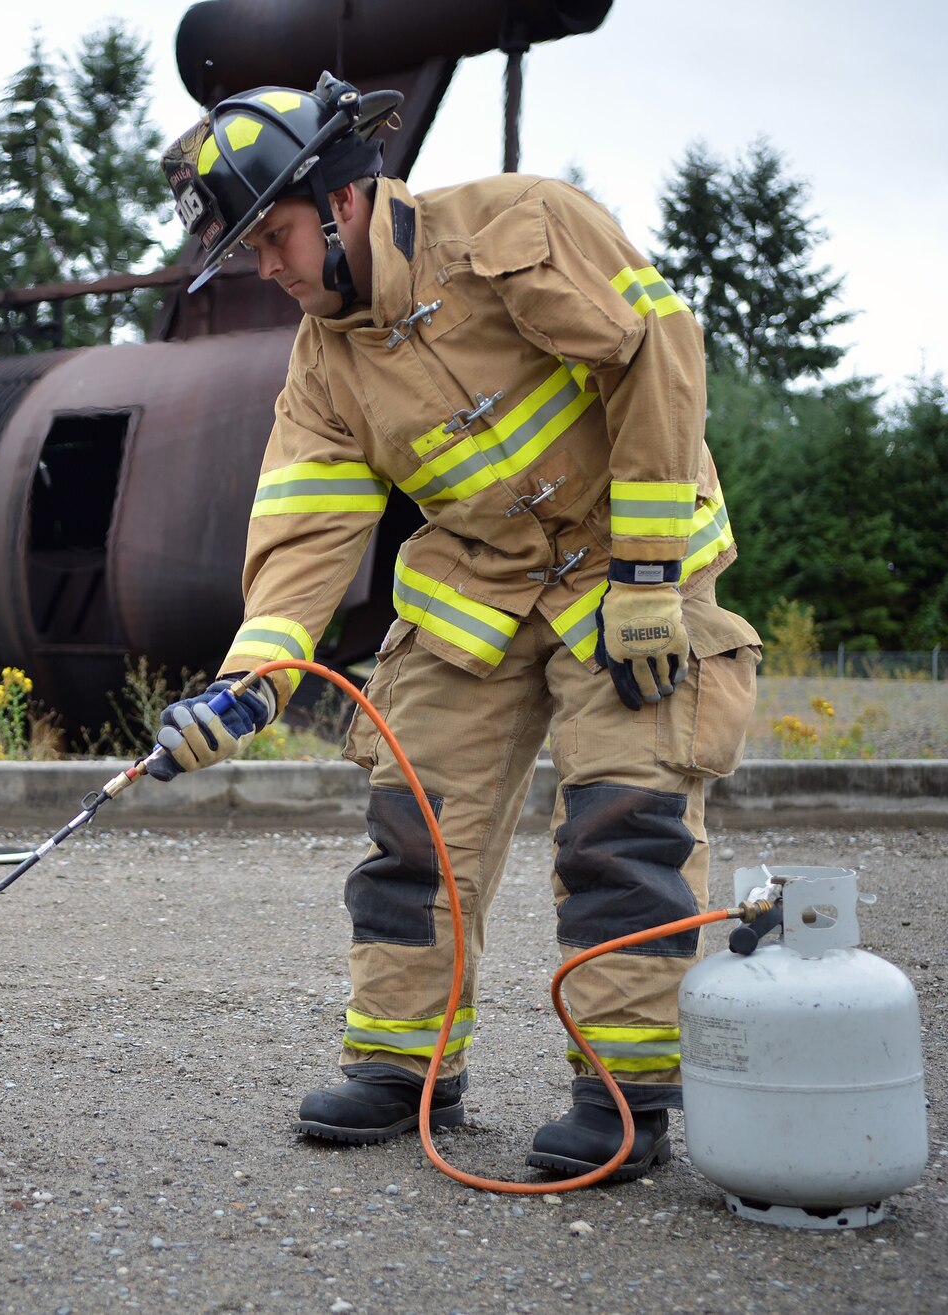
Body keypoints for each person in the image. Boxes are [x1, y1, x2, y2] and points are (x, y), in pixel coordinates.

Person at [147, 73, 761, 1181]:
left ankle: (624, 1094)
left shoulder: (514, 231)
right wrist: (249, 682)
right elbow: (302, 536)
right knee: (410, 826)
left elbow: (658, 355)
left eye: (273, 237)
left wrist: (648, 577)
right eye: (246, 249)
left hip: (625, 573)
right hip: (475, 589)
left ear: (337, 201)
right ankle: (399, 1065)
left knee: (623, 829)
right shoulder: (321, 365)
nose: (267, 268)